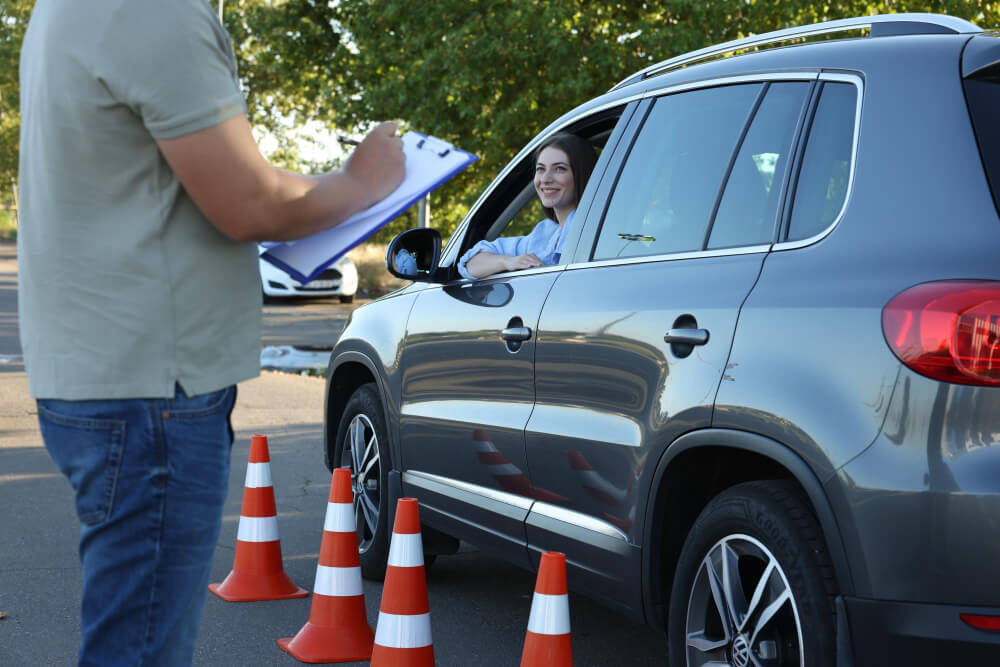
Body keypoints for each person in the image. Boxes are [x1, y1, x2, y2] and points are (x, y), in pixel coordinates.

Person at [17, 1, 405, 665]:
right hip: (152, 390)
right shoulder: (156, 12)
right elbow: (249, 203)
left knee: (126, 639)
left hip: (104, 373)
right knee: (140, 650)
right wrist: (361, 182)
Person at [458, 133, 597, 279]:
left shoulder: (591, 229)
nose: (545, 179)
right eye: (540, 169)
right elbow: (469, 263)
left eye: (560, 168)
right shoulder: (545, 233)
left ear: (582, 173)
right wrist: (508, 261)